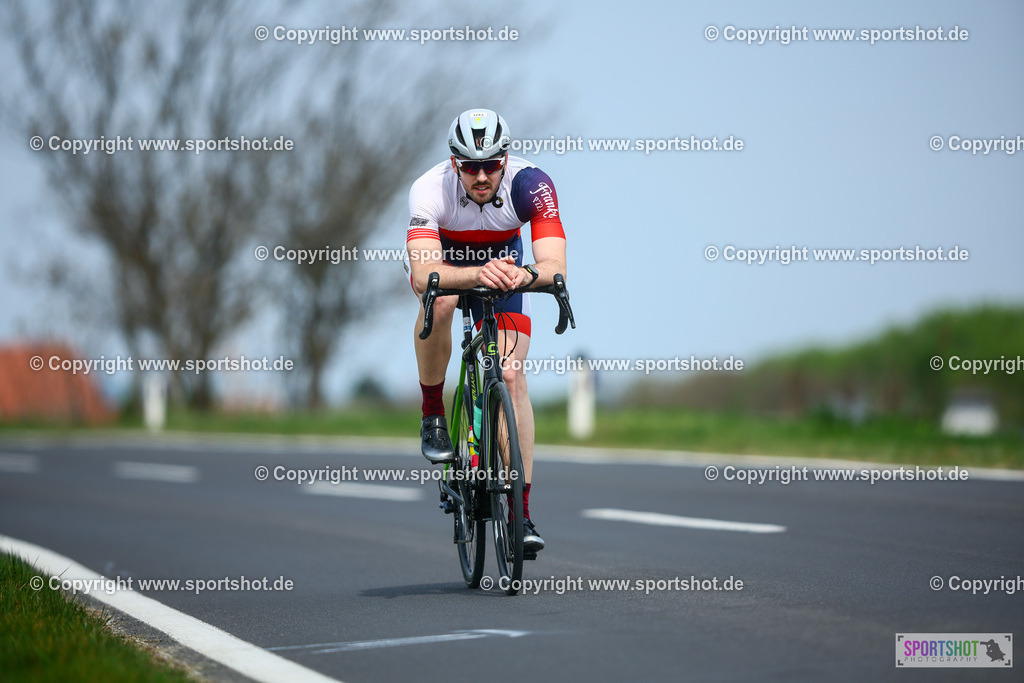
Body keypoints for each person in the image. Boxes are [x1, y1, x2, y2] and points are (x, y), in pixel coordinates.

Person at [405, 108, 566, 556]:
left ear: (506, 158)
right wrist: (478, 271)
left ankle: (521, 513)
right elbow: (422, 275)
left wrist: (521, 276)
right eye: (470, 166)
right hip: (447, 268)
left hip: (508, 273)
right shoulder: (429, 188)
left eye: (491, 165)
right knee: (440, 301)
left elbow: (554, 267)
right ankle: (434, 411)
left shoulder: (532, 184)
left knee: (511, 376)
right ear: (454, 162)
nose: (481, 176)